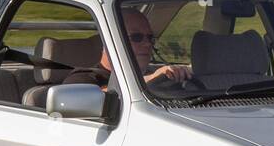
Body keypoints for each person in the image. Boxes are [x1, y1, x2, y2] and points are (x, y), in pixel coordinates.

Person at [63, 8, 192, 88]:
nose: (147, 44)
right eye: (136, 37)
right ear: (108, 41)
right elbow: (100, 98)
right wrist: (153, 79)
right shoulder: (82, 78)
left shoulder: (157, 75)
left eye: (149, 38)